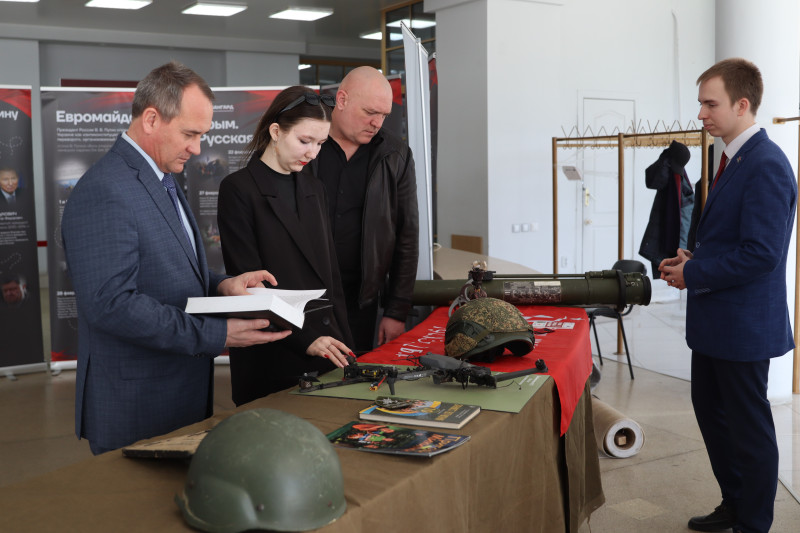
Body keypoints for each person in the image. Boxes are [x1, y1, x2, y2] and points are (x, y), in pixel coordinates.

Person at [60, 61, 291, 455]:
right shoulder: (105, 190)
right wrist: (217, 335)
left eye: (202, 135)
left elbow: (170, 268)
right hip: (137, 405)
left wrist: (222, 284)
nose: (197, 148)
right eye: (189, 134)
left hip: (175, 392)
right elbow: (112, 305)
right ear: (151, 119)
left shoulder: (161, 175)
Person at [659, 58, 796, 533]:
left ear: (741, 105)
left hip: (743, 328)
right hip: (717, 323)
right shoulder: (732, 158)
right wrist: (693, 258)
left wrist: (694, 274)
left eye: (710, 104)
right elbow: (734, 240)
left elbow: (762, 254)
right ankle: (734, 504)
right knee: (715, 419)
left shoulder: (766, 164)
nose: (701, 113)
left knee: (748, 431)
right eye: (701, 103)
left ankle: (753, 523)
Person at [217, 85, 354, 405]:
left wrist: (346, 343)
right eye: (305, 141)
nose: (313, 153)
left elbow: (330, 277)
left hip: (326, 347)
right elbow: (250, 285)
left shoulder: (315, 187)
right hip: (273, 349)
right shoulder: (238, 190)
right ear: (276, 132)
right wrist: (306, 338)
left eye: (320, 143)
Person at [303, 66, 419, 353]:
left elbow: (407, 235)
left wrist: (396, 311)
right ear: (342, 100)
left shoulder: (395, 155)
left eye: (384, 115)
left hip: (360, 303)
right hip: (302, 297)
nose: (376, 122)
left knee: (353, 374)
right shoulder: (303, 144)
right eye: (370, 112)